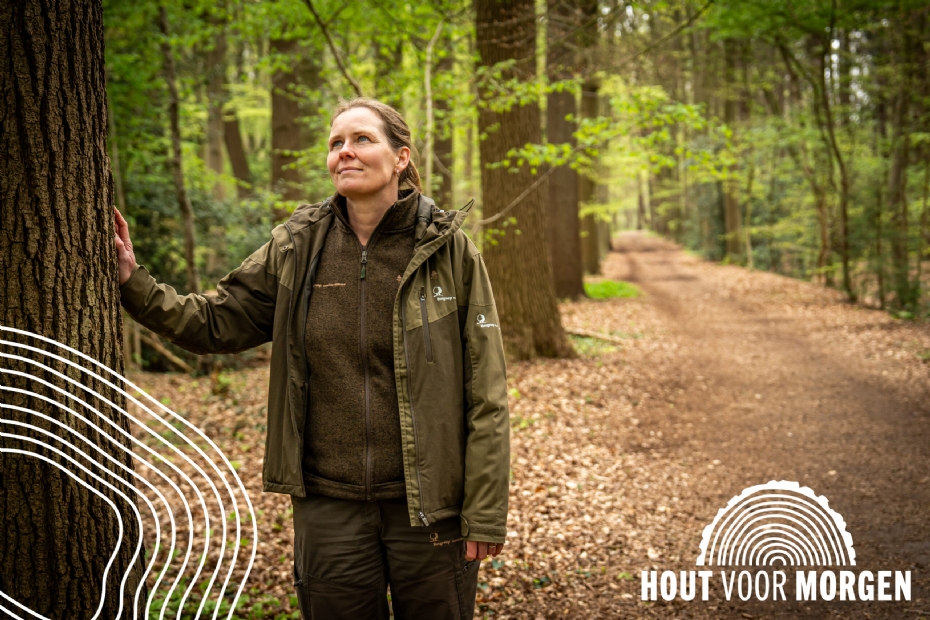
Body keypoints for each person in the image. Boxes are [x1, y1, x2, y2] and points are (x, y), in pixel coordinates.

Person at [115, 97, 510, 619]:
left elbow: (487, 392)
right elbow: (215, 321)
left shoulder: (449, 250)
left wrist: (483, 513)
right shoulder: (297, 246)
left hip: (431, 509)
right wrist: (133, 283)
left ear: (401, 158)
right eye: (335, 143)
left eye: (362, 139)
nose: (345, 152)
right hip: (329, 509)